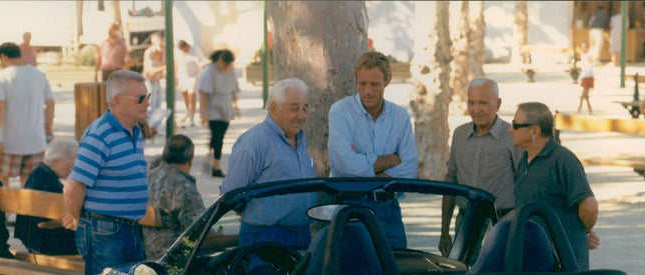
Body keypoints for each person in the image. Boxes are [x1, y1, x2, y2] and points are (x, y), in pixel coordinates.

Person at [62, 70, 150, 275]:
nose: (147, 103)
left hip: (129, 229)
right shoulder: (100, 134)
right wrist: (78, 220)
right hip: (106, 232)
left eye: (148, 97)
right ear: (118, 100)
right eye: (141, 99)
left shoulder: (134, 131)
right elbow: (72, 188)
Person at [328, 51, 418, 249]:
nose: (367, 91)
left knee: (396, 272)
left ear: (387, 81)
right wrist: (390, 160)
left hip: (389, 209)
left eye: (374, 84)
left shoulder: (400, 117)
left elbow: (410, 169)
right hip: (351, 208)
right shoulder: (340, 112)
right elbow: (345, 166)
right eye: (362, 84)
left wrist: (362, 163)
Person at [221, 78, 316, 248]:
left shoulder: (300, 138)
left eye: (304, 108)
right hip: (266, 238)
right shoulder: (254, 142)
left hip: (302, 235)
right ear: (273, 107)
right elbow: (231, 194)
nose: (301, 115)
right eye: (294, 109)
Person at [510, 102, 599, 270]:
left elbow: (590, 207)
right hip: (532, 261)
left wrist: (578, 233)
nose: (510, 130)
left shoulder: (563, 160)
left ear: (534, 131)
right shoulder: (524, 160)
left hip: (561, 267)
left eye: (515, 125)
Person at [439, 78, 521, 256]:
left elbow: (525, 184)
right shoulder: (459, 134)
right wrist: (444, 231)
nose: (476, 110)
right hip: (466, 222)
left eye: (483, 103)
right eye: (471, 102)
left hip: (502, 223)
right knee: (465, 272)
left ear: (498, 104)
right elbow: (450, 181)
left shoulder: (512, 136)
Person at [0, 42, 55, 188]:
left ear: (3, 56)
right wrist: (48, 128)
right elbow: (50, 103)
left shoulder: (1, 77)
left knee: (2, 185)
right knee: (28, 187)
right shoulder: (38, 75)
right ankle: (23, 212)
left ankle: (3, 212)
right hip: (36, 142)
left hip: (8, 142)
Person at [143, 135, 204, 260]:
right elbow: (201, 234)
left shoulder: (148, 177)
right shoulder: (185, 188)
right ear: (191, 159)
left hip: (146, 258)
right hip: (175, 262)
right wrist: (236, 239)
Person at [14, 138, 79, 255]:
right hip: (45, 241)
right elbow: (44, 223)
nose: (71, 171)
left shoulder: (38, 173)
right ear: (55, 161)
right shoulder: (49, 181)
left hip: (31, 238)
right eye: (70, 165)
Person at [198, 49, 240, 178]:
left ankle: (210, 158)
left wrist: (236, 106)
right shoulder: (209, 71)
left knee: (218, 135)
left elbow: (233, 90)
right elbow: (203, 94)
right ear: (218, 60)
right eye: (222, 64)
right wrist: (204, 113)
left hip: (226, 106)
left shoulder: (231, 71)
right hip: (213, 106)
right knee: (218, 135)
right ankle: (216, 166)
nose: (224, 67)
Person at [176, 40, 206, 127]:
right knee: (184, 94)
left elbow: (201, 62)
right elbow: (177, 63)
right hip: (182, 75)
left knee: (192, 94)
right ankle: (187, 112)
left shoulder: (195, 51)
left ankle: (192, 116)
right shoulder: (179, 52)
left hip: (194, 75)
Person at [142, 32, 166, 112]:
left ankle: (155, 124)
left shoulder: (163, 52)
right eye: (159, 42)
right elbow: (150, 70)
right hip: (150, 81)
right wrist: (164, 68)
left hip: (158, 81)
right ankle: (148, 124)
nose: (161, 44)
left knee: (158, 107)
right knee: (150, 106)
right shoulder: (150, 52)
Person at [578, 43, 594, 114]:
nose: (583, 48)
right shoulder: (582, 55)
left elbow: (591, 61)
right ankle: (589, 108)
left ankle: (580, 106)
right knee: (586, 94)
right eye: (582, 47)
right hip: (584, 76)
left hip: (589, 75)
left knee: (584, 93)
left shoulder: (589, 55)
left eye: (584, 47)